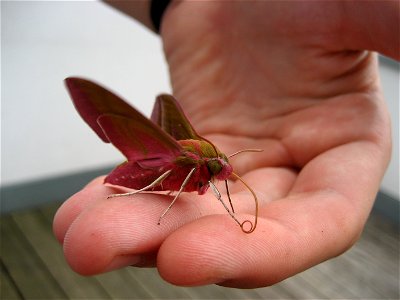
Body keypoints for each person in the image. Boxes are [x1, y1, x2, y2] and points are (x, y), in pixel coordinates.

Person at [53, 1, 399, 288]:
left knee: (185, 254)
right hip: (140, 175)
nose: (223, 175)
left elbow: (216, 179)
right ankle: (130, 195)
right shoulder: (192, 162)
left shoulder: (211, 164)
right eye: (220, 170)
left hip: (162, 164)